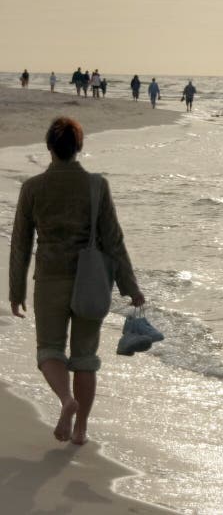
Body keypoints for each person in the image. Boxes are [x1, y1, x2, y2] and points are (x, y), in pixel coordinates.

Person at [9, 117, 145, 446]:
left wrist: (16, 290)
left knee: (49, 351)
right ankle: (81, 430)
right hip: (91, 282)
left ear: (49, 148)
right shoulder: (97, 186)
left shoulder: (32, 188)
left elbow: (20, 244)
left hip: (50, 279)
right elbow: (114, 241)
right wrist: (130, 287)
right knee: (85, 357)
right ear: (79, 147)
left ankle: (66, 401)